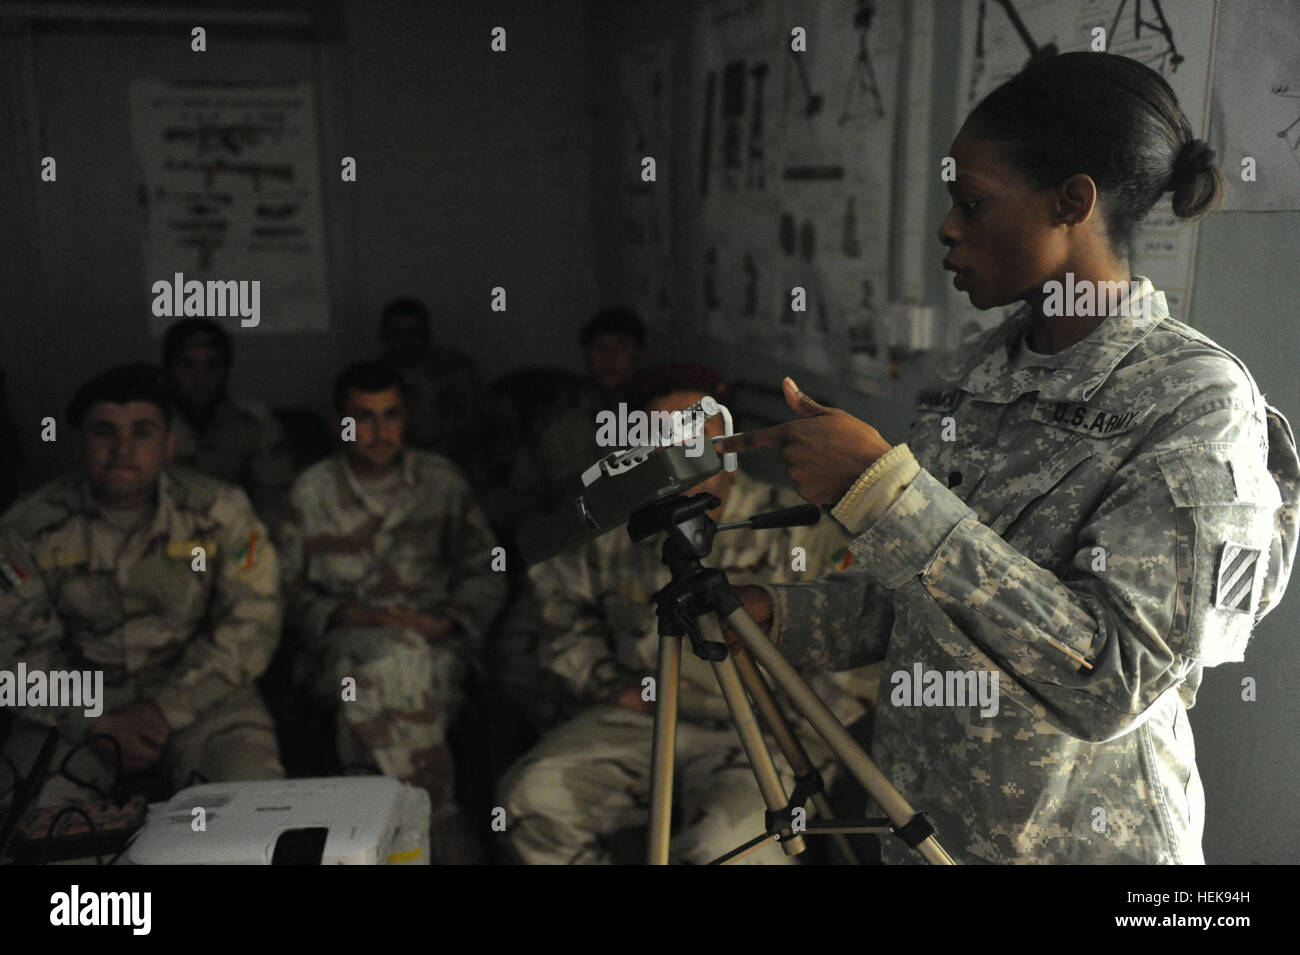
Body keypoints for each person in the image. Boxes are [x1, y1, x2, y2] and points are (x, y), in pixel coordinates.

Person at [715, 52, 1300, 865]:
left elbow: (1112, 676)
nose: (949, 228)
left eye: (972, 203)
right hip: (929, 832)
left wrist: (887, 495)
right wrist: (776, 616)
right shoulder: (971, 375)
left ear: (1073, 202)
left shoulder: (1196, 401)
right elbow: (922, 602)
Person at [497, 368, 880, 864]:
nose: (672, 452)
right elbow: (557, 610)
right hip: (644, 719)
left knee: (730, 851)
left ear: (730, 446)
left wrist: (805, 722)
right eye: (656, 437)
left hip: (763, 735)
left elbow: (864, 639)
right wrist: (603, 683)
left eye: (692, 436)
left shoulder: (800, 528)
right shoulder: (616, 536)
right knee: (529, 800)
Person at [0, 363, 284, 801]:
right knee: (30, 817)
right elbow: (13, 648)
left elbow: (252, 623)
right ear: (77, 442)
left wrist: (164, 709)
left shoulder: (221, 511)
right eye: (104, 431)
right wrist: (92, 719)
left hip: (202, 695)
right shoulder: (26, 527)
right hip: (70, 707)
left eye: (142, 431)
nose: (122, 448)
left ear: (169, 442)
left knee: (252, 808)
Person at [279, 361, 508, 864]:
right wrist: (344, 615)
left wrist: (451, 619)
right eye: (363, 417)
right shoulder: (311, 490)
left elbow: (488, 567)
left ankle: (379, 835)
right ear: (341, 422)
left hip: (436, 640)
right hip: (345, 647)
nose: (379, 431)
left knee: (406, 668)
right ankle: (437, 828)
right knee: (382, 670)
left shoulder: (440, 480)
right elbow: (282, 588)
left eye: (391, 415)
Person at [505, 307, 647, 519]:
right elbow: (522, 492)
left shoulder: (655, 411)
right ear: (586, 354)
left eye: (622, 347)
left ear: (640, 355)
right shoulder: (557, 418)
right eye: (599, 347)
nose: (610, 357)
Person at [162, 318, 296, 529]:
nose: (200, 377)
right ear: (169, 370)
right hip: (165, 540)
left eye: (212, 365)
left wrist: (247, 551)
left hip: (239, 539)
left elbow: (274, 505)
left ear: (226, 370)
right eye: (187, 365)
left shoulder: (254, 425)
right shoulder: (150, 427)